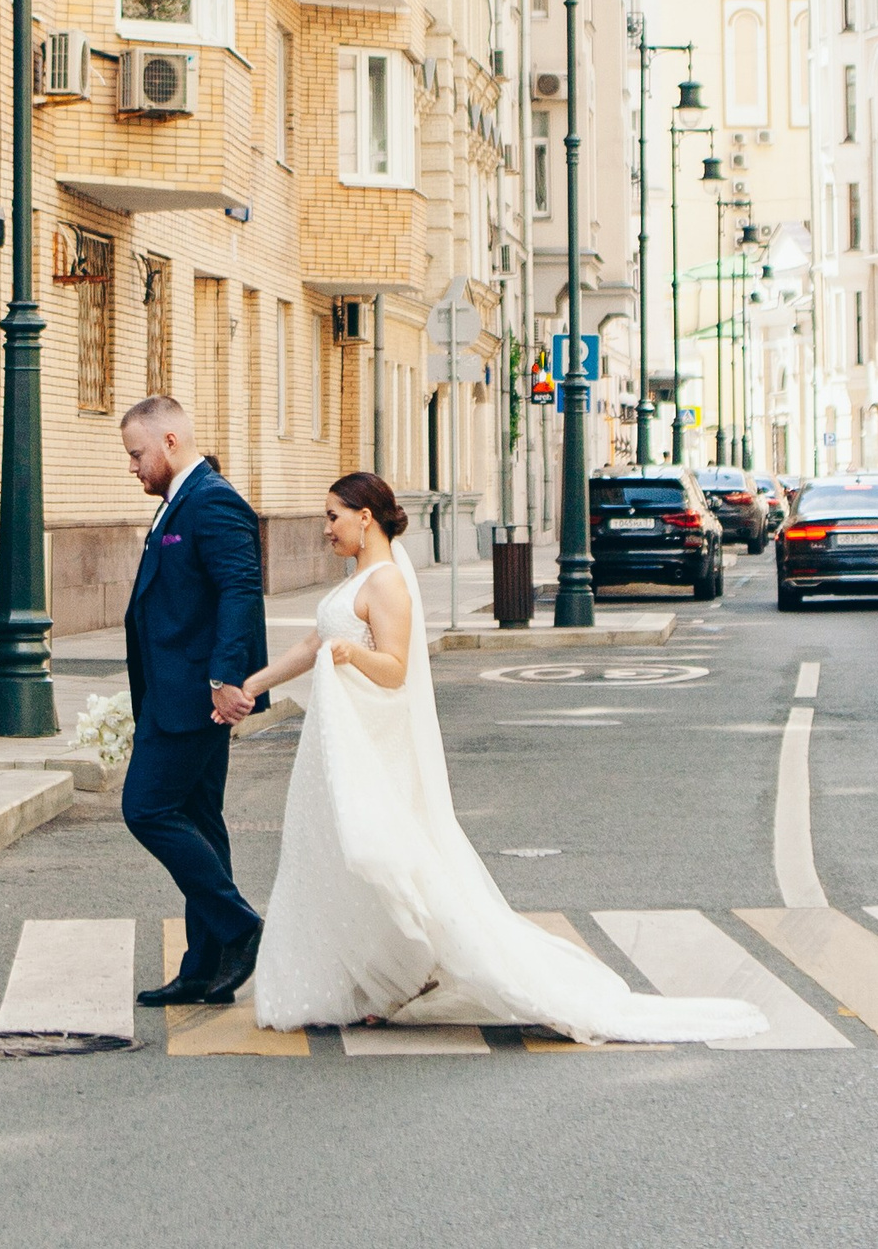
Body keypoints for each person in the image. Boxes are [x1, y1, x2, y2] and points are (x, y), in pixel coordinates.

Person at [232, 471, 766, 1045]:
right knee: (345, 857)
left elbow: (394, 669)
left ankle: (413, 972)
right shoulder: (356, 578)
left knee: (380, 858)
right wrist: (250, 686)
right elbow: (313, 643)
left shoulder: (387, 583)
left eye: (333, 516)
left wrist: (350, 656)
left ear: (365, 518)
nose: (325, 528)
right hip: (342, 747)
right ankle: (382, 982)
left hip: (373, 749)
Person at [118, 394, 270, 1008]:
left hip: (195, 697)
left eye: (137, 454)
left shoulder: (213, 500)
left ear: (171, 443)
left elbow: (240, 588)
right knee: (203, 823)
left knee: (146, 809)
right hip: (173, 693)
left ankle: (241, 928)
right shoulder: (179, 500)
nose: (132, 467)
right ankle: (204, 968)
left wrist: (225, 677)